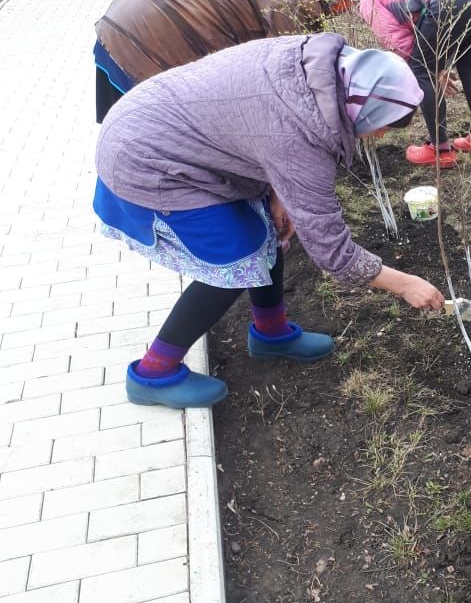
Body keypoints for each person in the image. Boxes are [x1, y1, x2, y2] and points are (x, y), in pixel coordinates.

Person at [94, 32, 445, 409]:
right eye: (383, 126)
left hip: (164, 128)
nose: (378, 136)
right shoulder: (300, 138)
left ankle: (271, 333)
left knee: (268, 231)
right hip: (147, 159)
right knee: (234, 259)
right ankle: (154, 373)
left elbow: (258, 125)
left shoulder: (312, 68)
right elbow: (331, 250)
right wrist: (405, 284)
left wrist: (278, 194)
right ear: (364, 107)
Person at [94, 0, 370, 121]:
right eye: (347, 3)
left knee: (125, 125)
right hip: (143, 43)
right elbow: (282, 85)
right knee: (145, 134)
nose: (342, 11)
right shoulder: (289, 5)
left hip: (126, 17)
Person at [356, 0, 471, 167]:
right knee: (469, 60)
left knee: (419, 70)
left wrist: (433, 69)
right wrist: (439, 65)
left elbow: (402, 46)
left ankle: (440, 149)